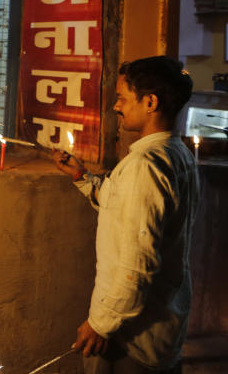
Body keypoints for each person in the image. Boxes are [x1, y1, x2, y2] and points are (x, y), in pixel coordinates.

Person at [52, 56, 198, 374]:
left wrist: (101, 324)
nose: (116, 107)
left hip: (130, 340)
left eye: (122, 98)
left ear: (150, 102)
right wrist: (82, 178)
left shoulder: (145, 166)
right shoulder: (177, 154)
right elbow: (126, 210)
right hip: (161, 328)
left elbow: (138, 266)